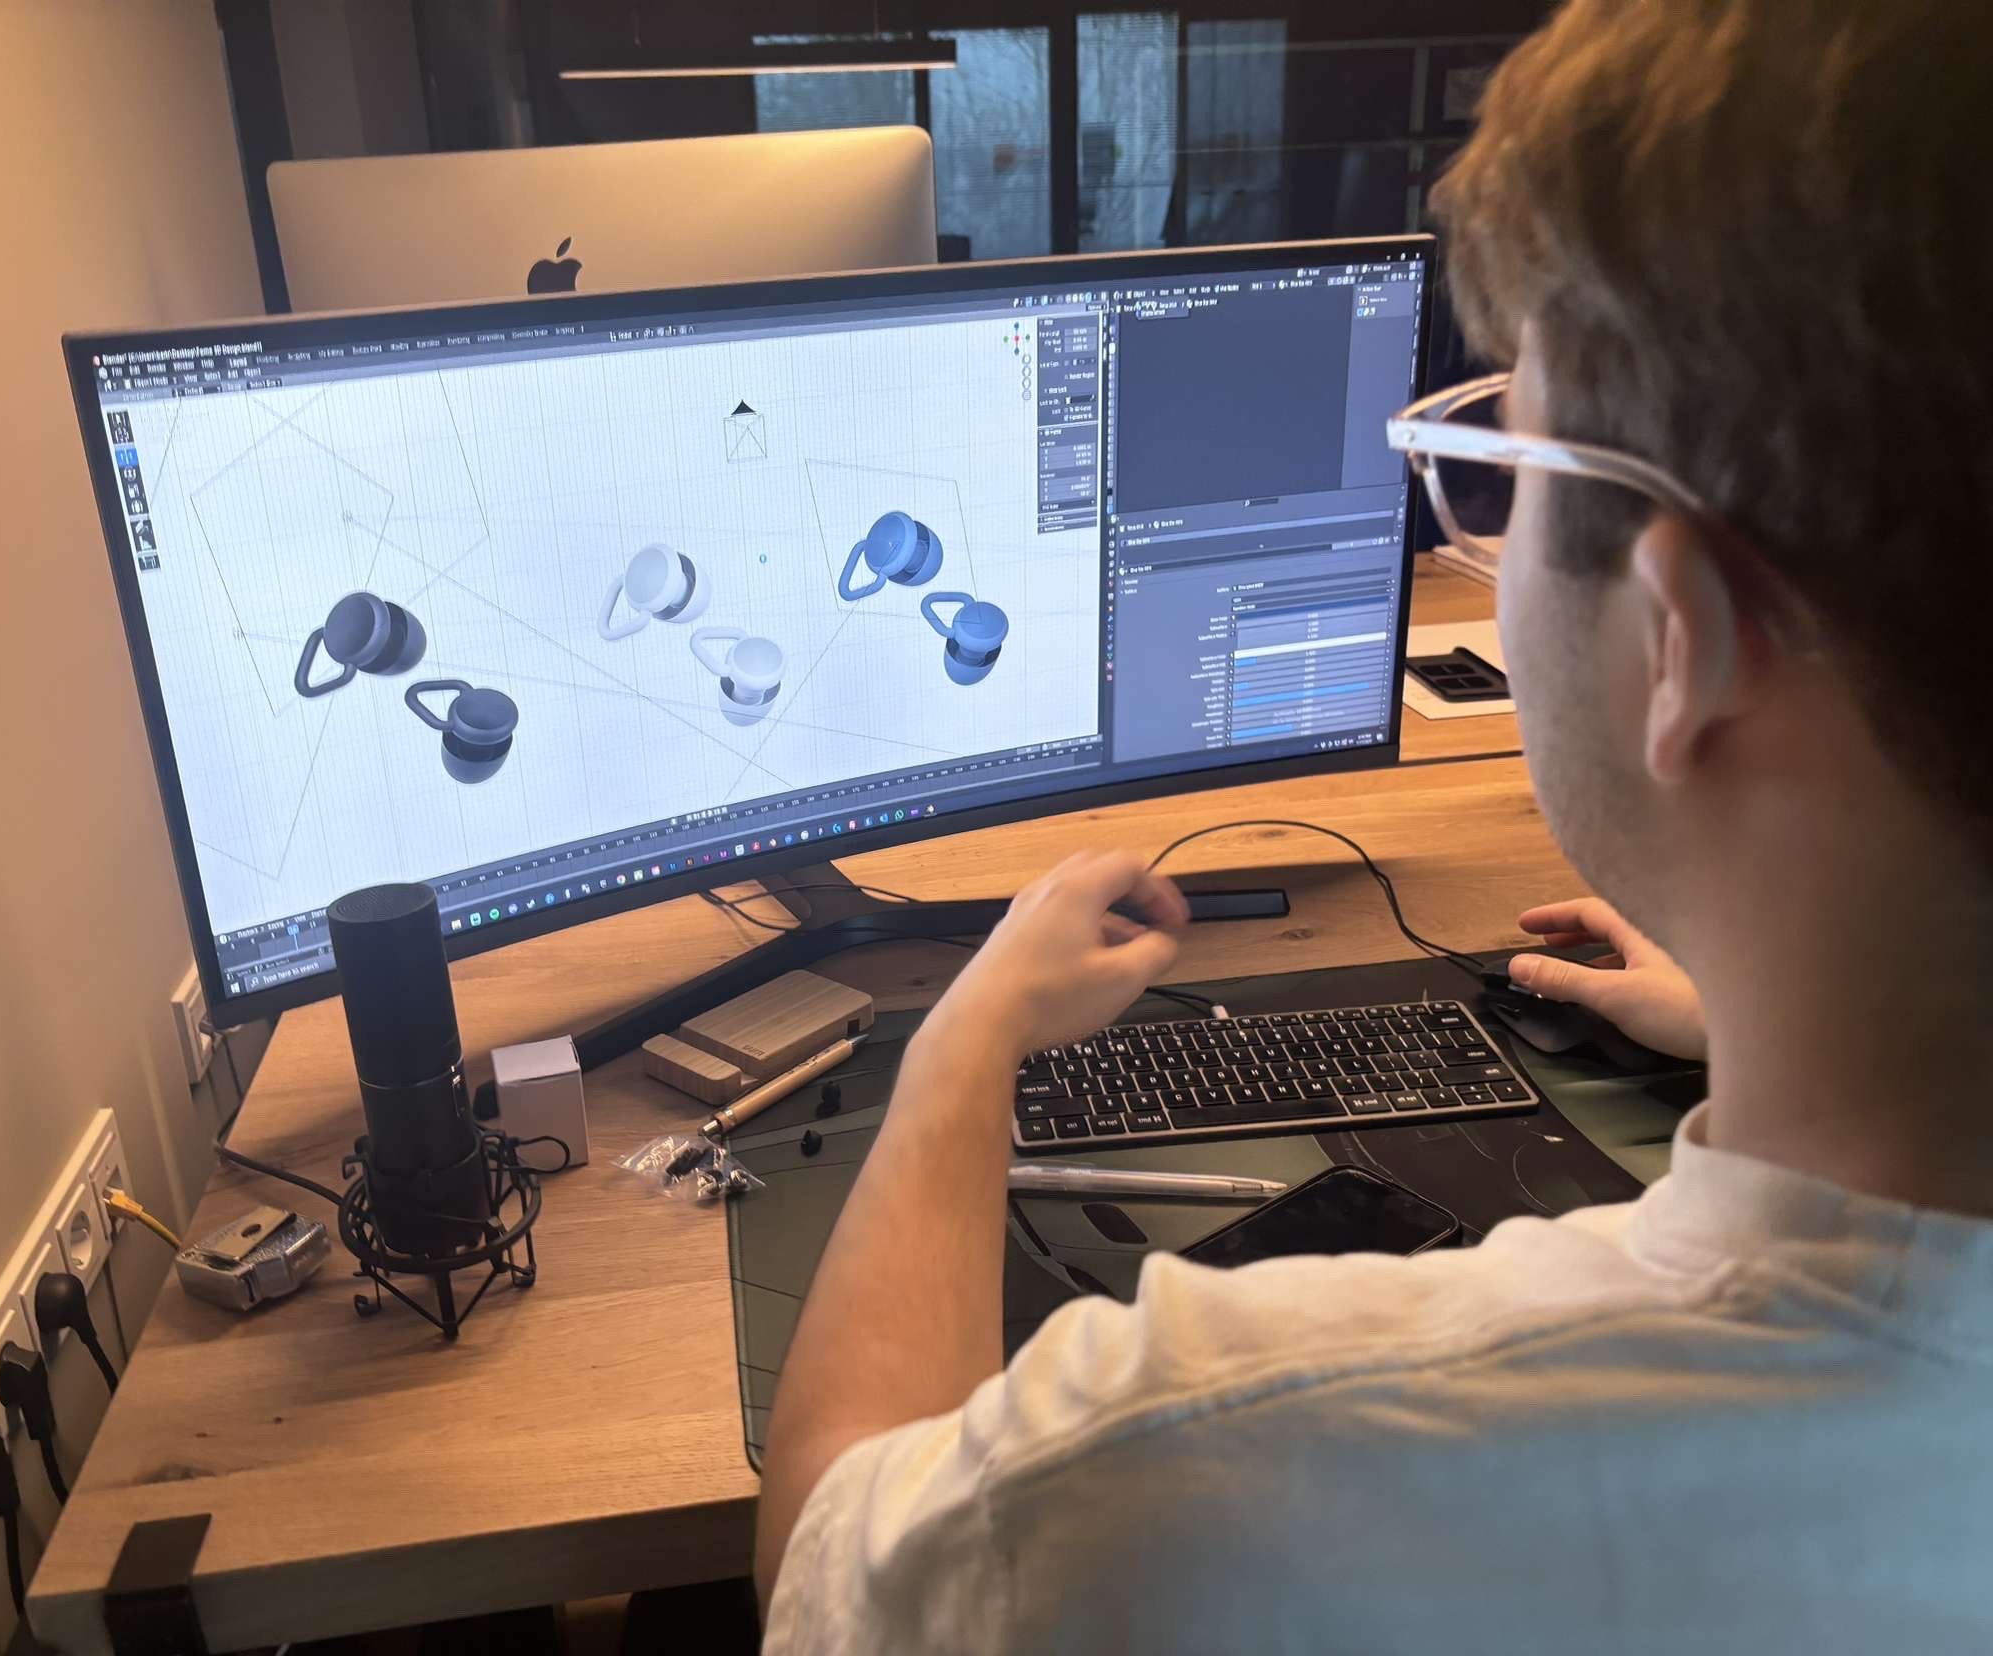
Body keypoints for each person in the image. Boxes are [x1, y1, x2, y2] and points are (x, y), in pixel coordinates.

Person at [754, 0, 1993, 1648]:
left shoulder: (1183, 1461)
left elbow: (829, 1558)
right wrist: (1759, 996)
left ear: (1679, 633)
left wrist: (965, 1046)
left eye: (1504, 464)